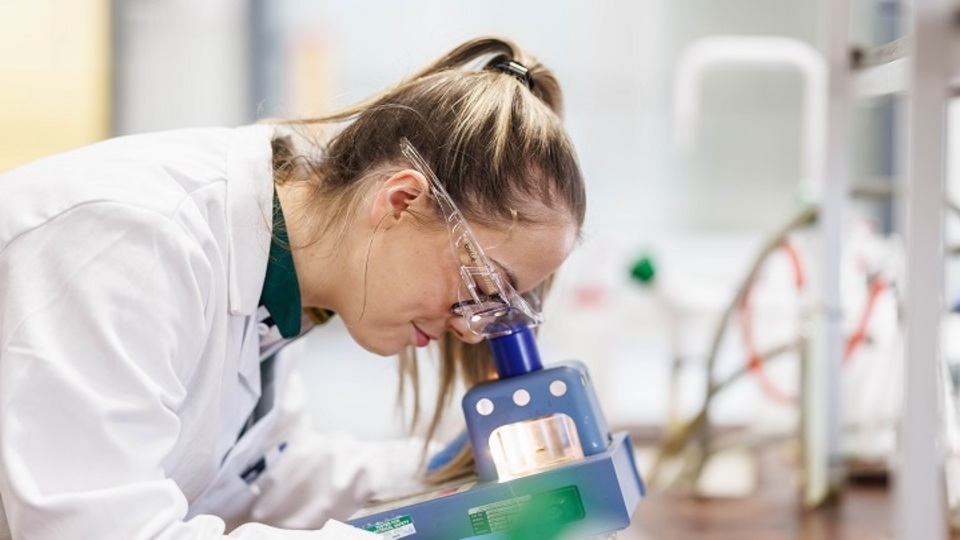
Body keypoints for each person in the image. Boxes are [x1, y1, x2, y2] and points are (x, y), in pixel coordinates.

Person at [0, 35, 585, 539]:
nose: (469, 326)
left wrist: (460, 476)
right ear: (402, 200)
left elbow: (261, 478)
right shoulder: (136, 239)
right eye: (483, 285)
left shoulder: (284, 281)